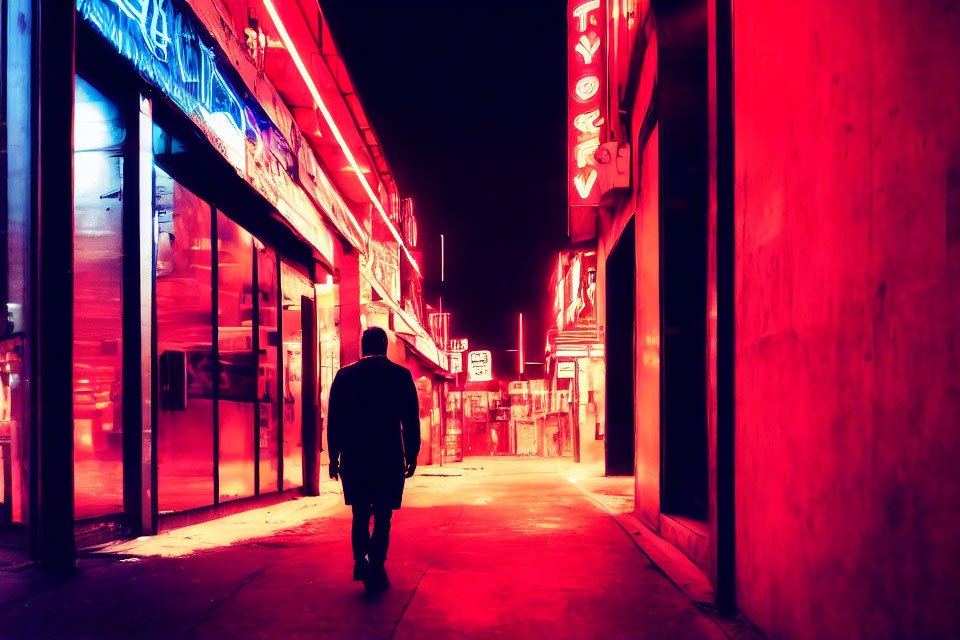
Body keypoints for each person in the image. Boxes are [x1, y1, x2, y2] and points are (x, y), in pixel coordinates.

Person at [327, 327, 421, 592]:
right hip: (387, 456)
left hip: (355, 457)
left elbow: (335, 421)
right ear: (384, 346)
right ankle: (377, 564)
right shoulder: (400, 376)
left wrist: (333, 457)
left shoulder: (344, 377)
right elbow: (410, 420)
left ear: (362, 347)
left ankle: (360, 558)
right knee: (382, 514)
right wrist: (411, 452)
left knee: (359, 512)